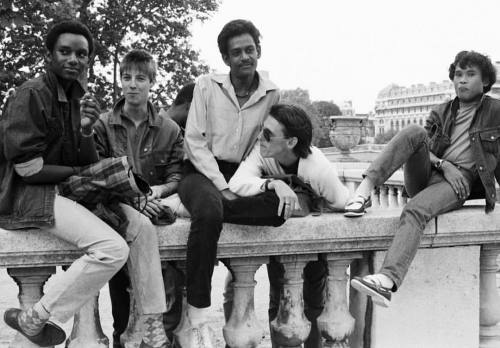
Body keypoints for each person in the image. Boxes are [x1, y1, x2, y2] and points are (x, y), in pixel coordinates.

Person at [0, 20, 130, 347]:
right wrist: (75, 172)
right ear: (49, 55)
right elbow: (28, 169)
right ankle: (36, 317)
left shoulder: (75, 99)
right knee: (112, 249)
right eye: (65, 52)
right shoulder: (31, 94)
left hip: (57, 192)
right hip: (27, 196)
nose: (74, 59)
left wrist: (87, 128)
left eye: (82, 54)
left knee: (132, 225)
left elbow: (86, 160)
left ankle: (34, 318)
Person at [346, 50, 500, 308]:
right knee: (415, 131)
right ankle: (363, 192)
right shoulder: (441, 111)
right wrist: (443, 164)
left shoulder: (496, 111)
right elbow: (420, 147)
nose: (461, 80)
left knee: (415, 210)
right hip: (428, 173)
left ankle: (386, 280)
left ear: (485, 82)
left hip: (458, 183)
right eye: (458, 75)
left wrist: (454, 172)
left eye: (470, 74)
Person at [176, 19, 279, 347]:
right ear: (226, 59)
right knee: (207, 210)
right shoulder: (206, 86)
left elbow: (266, 147)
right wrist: (221, 187)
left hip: (243, 172)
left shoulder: (272, 94)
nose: (245, 57)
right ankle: (198, 314)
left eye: (250, 49)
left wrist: (261, 183)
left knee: (279, 208)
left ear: (259, 51)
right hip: (200, 170)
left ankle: (204, 208)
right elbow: (194, 141)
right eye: (237, 52)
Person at [227, 103, 350, 348]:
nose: (260, 138)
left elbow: (343, 201)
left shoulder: (318, 167)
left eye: (268, 135)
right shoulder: (262, 151)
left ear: (291, 142)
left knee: (314, 300)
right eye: (262, 130)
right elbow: (237, 182)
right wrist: (273, 184)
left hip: (313, 243)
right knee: (278, 298)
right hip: (280, 237)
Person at [93, 49, 183, 348]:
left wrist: (157, 191)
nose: (132, 84)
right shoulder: (103, 125)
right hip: (119, 214)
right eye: (127, 77)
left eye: (140, 78)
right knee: (122, 312)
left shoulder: (169, 129)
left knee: (167, 311)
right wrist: (134, 197)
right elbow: (97, 173)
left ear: (152, 82)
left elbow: (177, 174)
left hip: (155, 213)